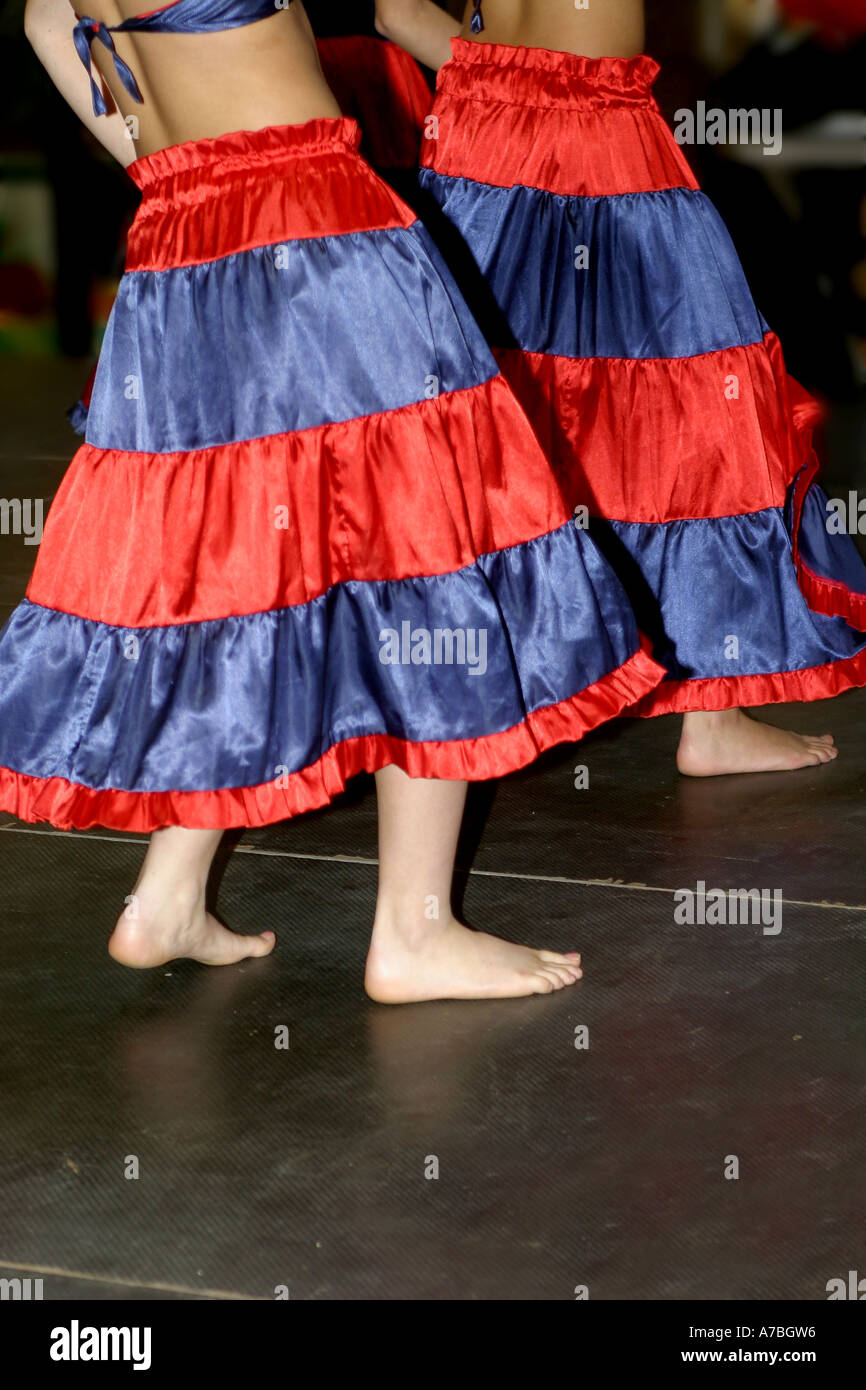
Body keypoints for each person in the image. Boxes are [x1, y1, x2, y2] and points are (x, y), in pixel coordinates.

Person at [4, 0, 664, 1001]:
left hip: (182, 232)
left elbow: (47, 24)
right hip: (308, 221)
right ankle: (412, 929)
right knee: (429, 542)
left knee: (241, 567)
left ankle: (168, 894)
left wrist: (151, 157)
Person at [375, 0, 866, 776]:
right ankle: (710, 711)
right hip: (598, 135)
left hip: (478, 134)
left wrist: (503, 71)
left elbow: (396, 14)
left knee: (509, 410)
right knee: (696, 411)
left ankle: (491, 679)